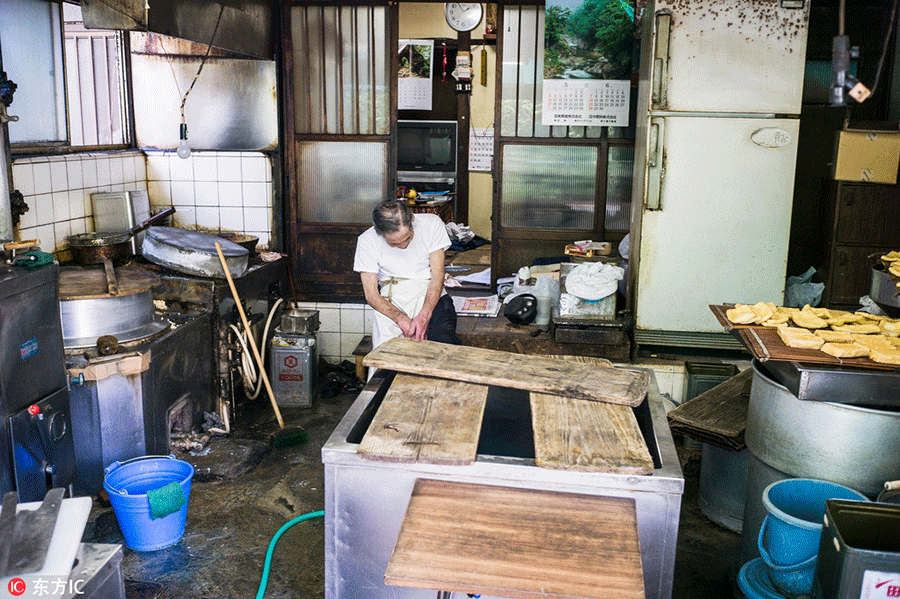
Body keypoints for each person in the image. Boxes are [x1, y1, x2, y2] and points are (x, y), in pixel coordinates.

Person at [353, 200, 460, 350]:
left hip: (430, 294)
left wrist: (424, 316)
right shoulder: (367, 240)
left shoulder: (432, 224)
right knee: (387, 354)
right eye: (394, 244)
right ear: (379, 232)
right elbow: (371, 295)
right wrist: (400, 319)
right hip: (392, 299)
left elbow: (438, 275)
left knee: (442, 344)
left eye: (408, 238)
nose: (403, 245)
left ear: (412, 220)